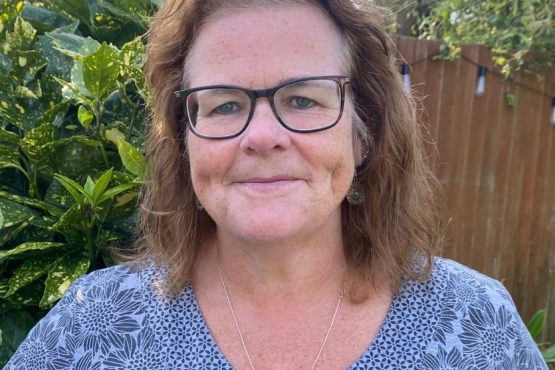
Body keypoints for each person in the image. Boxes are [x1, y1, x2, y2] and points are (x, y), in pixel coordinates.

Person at [4, 0, 548, 369]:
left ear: (365, 134)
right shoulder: (91, 330)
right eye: (224, 104)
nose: (262, 136)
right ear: (184, 139)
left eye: (303, 99)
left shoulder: (477, 327)